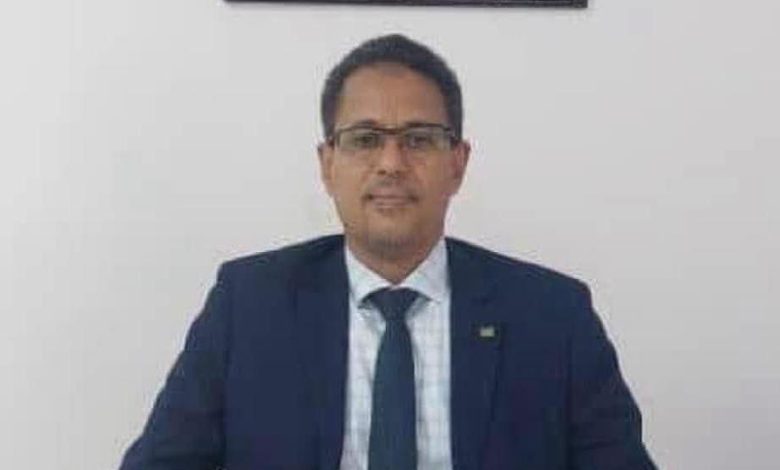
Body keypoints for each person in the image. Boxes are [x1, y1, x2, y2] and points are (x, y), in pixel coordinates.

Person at [119, 34, 656, 470]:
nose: (392, 163)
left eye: (419, 139)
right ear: (327, 164)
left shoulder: (553, 316)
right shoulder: (249, 305)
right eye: (365, 139)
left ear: (458, 164)